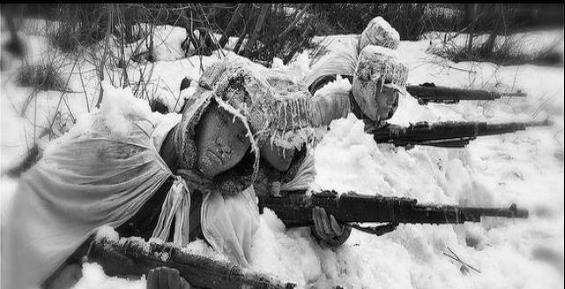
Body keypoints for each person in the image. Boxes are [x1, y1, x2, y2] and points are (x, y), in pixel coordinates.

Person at [2, 55, 354, 289]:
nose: (227, 145)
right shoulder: (120, 141)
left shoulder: (227, 212)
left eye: (242, 137)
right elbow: (29, 215)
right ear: (200, 109)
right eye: (224, 119)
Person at [304, 16, 408, 131]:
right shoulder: (348, 69)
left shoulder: (352, 46)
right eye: (381, 52)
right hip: (321, 87)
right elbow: (361, 103)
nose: (383, 57)